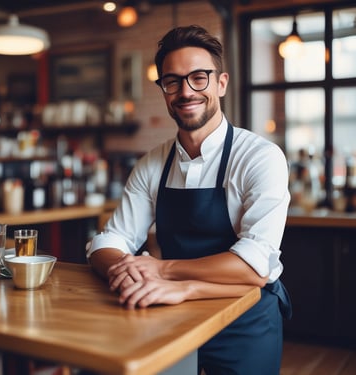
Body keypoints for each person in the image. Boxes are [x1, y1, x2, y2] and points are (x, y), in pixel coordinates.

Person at [87, 24, 292, 375]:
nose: (186, 91)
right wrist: (127, 270)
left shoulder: (260, 157)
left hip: (245, 321)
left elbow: (253, 266)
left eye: (199, 77)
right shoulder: (152, 164)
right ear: (163, 90)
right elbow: (110, 241)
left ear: (221, 83)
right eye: (173, 81)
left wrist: (162, 270)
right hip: (172, 314)